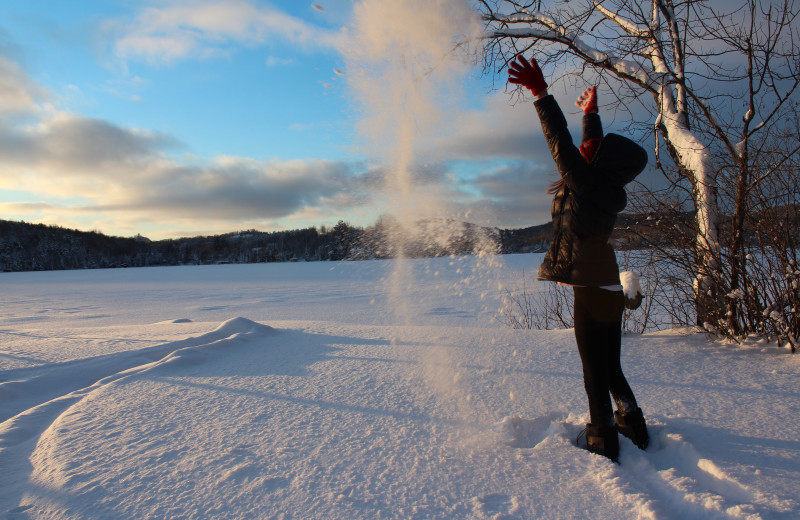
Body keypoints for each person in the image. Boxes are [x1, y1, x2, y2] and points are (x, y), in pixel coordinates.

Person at [508, 55, 650, 462]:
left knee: (594, 371)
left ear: (598, 162)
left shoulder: (586, 184)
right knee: (610, 365)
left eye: (595, 149)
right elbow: (587, 149)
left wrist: (541, 95)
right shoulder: (603, 185)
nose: (591, 149)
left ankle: (603, 436)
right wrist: (592, 112)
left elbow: (563, 147)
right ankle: (632, 422)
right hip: (604, 283)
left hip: (591, 287)